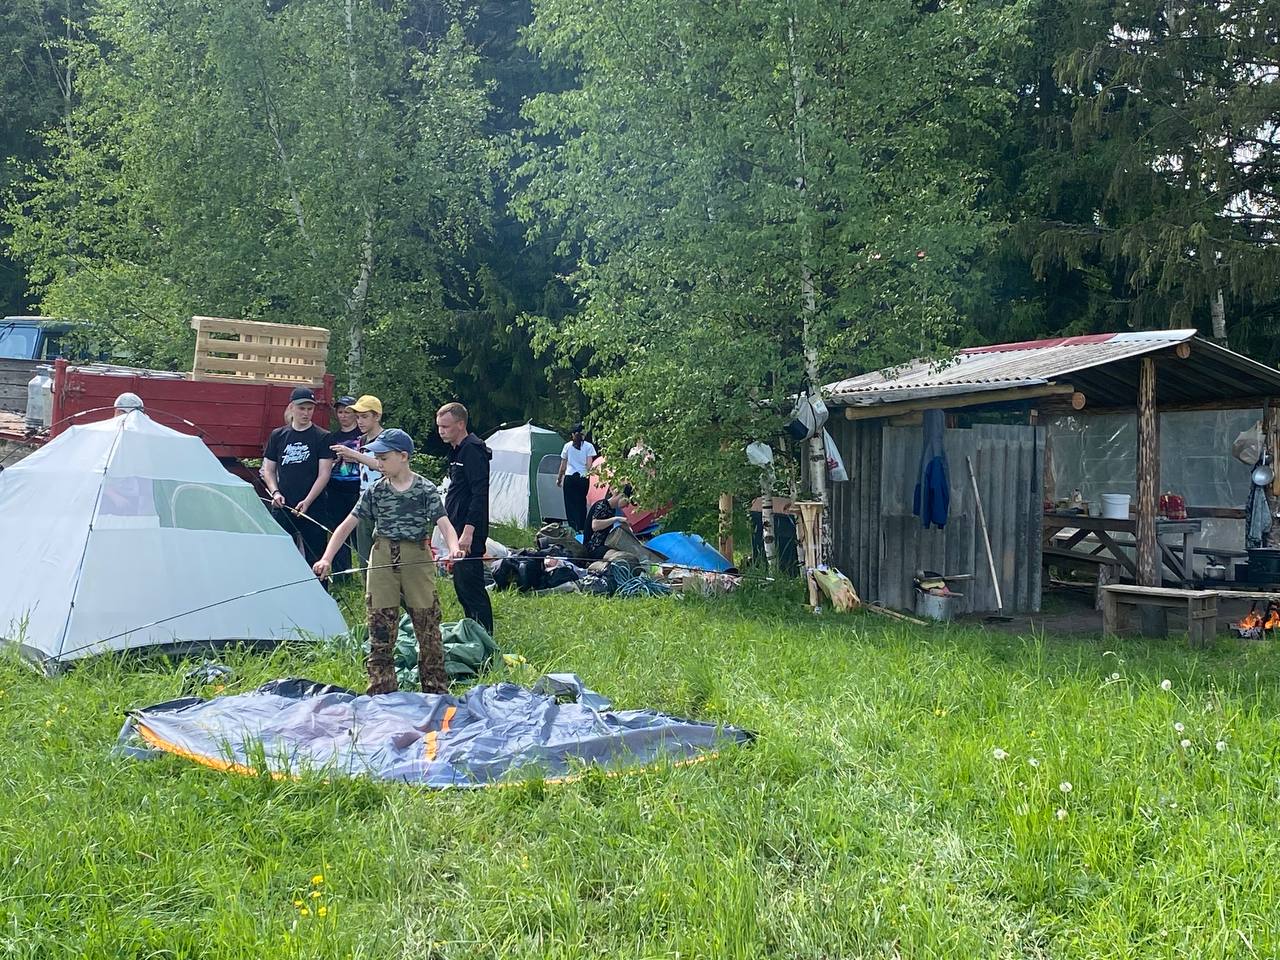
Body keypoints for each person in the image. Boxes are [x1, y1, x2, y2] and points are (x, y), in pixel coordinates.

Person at [313, 429, 464, 695]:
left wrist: (453, 548)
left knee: (427, 627)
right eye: (377, 457)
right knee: (380, 627)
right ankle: (381, 690)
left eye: (383, 457)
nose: (378, 463)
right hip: (382, 557)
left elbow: (445, 524)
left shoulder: (425, 489)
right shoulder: (375, 491)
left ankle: (435, 691)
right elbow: (347, 525)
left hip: (416, 559)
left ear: (403, 456)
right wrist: (326, 558)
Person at [436, 401, 493, 634]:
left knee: (472, 585)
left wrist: (468, 531)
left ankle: (485, 634)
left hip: (469, 530)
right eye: (439, 426)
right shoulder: (457, 449)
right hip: (456, 526)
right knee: (461, 585)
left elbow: (480, 493)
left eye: (446, 426)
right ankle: (473, 631)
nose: (441, 431)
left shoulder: (473, 449)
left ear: (460, 424)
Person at [261, 386, 334, 566]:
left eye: (310, 409)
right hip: (283, 504)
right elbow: (268, 470)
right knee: (280, 556)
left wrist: (308, 501)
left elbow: (324, 473)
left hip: (313, 506)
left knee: (315, 557)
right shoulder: (278, 435)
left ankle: (318, 591)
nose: (306, 413)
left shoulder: (322, 436)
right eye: (302, 408)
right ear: (292, 407)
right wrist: (275, 492)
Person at [329, 394, 386, 571]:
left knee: (383, 555)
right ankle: (368, 594)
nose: (360, 421)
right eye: (358, 416)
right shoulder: (361, 440)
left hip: (385, 502)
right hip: (363, 500)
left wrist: (354, 455)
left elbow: (384, 467)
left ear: (377, 416)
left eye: (364, 416)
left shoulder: (387, 438)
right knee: (364, 557)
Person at [325, 396, 363, 574]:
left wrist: (354, 456)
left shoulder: (362, 437)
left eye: (348, 411)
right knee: (337, 531)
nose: (343, 416)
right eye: (340, 412)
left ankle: (366, 571)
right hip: (336, 487)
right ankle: (342, 574)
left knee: (360, 532)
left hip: (357, 487)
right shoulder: (332, 437)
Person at [556, 422, 597, 532]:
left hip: (569, 478)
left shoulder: (567, 446)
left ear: (573, 434)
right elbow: (589, 466)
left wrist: (559, 479)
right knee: (581, 503)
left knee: (570, 504)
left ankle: (572, 527)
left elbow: (563, 466)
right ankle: (581, 527)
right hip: (582, 478)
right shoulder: (589, 447)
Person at [584, 484, 633, 560]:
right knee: (621, 557)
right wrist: (615, 519)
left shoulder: (612, 510)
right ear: (622, 496)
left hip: (603, 545)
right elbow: (595, 526)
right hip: (593, 546)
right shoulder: (601, 504)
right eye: (627, 502)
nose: (627, 506)